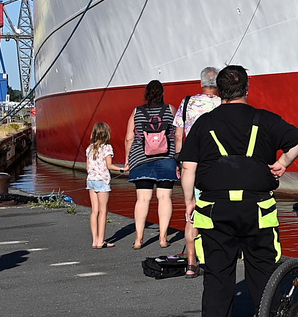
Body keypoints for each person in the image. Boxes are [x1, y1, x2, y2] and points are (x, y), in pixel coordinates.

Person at [178, 64, 298, 317]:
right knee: (263, 267)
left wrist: (189, 202)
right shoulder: (265, 120)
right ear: (247, 89)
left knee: (217, 269)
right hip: (258, 207)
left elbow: (188, 167)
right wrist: (282, 163)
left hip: (214, 208)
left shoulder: (204, 123)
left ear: (219, 92)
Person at [175, 69, 221, 275]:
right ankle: (214, 258)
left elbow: (178, 136)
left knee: (191, 214)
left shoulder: (186, 103)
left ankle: (191, 264)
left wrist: (179, 161)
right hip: (217, 165)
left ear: (200, 82)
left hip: (191, 165)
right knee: (217, 211)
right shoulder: (222, 104)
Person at [124, 80, 177, 250]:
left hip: (141, 159)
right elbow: (176, 135)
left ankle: (139, 240)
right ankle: (163, 238)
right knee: (164, 198)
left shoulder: (137, 112)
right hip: (166, 159)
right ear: (162, 93)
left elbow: (129, 138)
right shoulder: (170, 110)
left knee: (143, 199)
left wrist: (127, 159)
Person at [85, 121, 120, 249]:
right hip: (102, 181)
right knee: (103, 211)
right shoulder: (107, 148)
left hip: (91, 180)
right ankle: (101, 241)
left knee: (94, 211)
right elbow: (109, 165)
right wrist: (122, 169)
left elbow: (88, 167)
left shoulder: (90, 148)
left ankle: (94, 240)